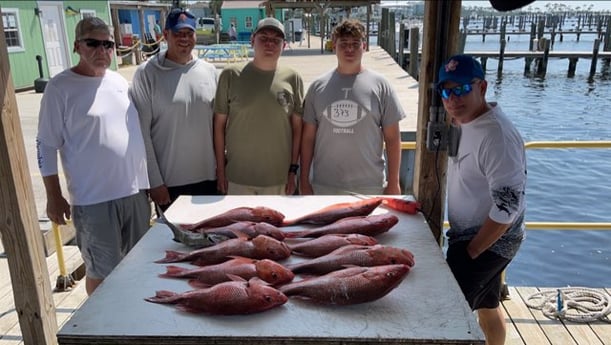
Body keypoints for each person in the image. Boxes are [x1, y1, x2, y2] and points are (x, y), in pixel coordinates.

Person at [36, 17, 150, 295]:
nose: (102, 50)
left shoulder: (119, 82)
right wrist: (53, 195)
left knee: (139, 267)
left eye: (108, 44)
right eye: (93, 43)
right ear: (77, 46)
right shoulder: (59, 88)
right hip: (93, 201)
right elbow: (45, 145)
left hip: (134, 195)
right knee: (101, 274)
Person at [438, 54, 527, 345]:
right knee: (489, 306)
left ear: (482, 87)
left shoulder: (496, 135)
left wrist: (472, 252)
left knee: (447, 316)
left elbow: (507, 206)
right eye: (446, 91)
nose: (453, 98)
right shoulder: (464, 121)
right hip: (470, 236)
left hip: (487, 243)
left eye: (462, 89)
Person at [300, 19, 405, 196]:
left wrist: (393, 182)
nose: (350, 49)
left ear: (364, 46)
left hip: (370, 186)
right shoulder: (317, 87)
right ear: (334, 46)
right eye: (344, 44)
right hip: (325, 186)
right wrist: (304, 181)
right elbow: (308, 137)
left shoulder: (381, 85)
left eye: (355, 44)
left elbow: (393, 138)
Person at [131, 9, 219, 211]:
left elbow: (219, 126)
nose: (184, 39)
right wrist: (154, 181)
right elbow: (142, 133)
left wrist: (221, 172)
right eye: (178, 34)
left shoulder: (210, 71)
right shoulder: (147, 74)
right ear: (165, 34)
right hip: (169, 184)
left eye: (189, 33)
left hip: (209, 178)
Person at [214, 17, 304, 195]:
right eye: (264, 38)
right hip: (237, 179)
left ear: (284, 46)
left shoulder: (293, 78)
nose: (269, 44)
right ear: (252, 40)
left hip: (279, 180)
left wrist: (293, 171)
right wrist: (221, 170)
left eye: (276, 40)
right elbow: (218, 126)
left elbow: (298, 130)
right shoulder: (230, 74)